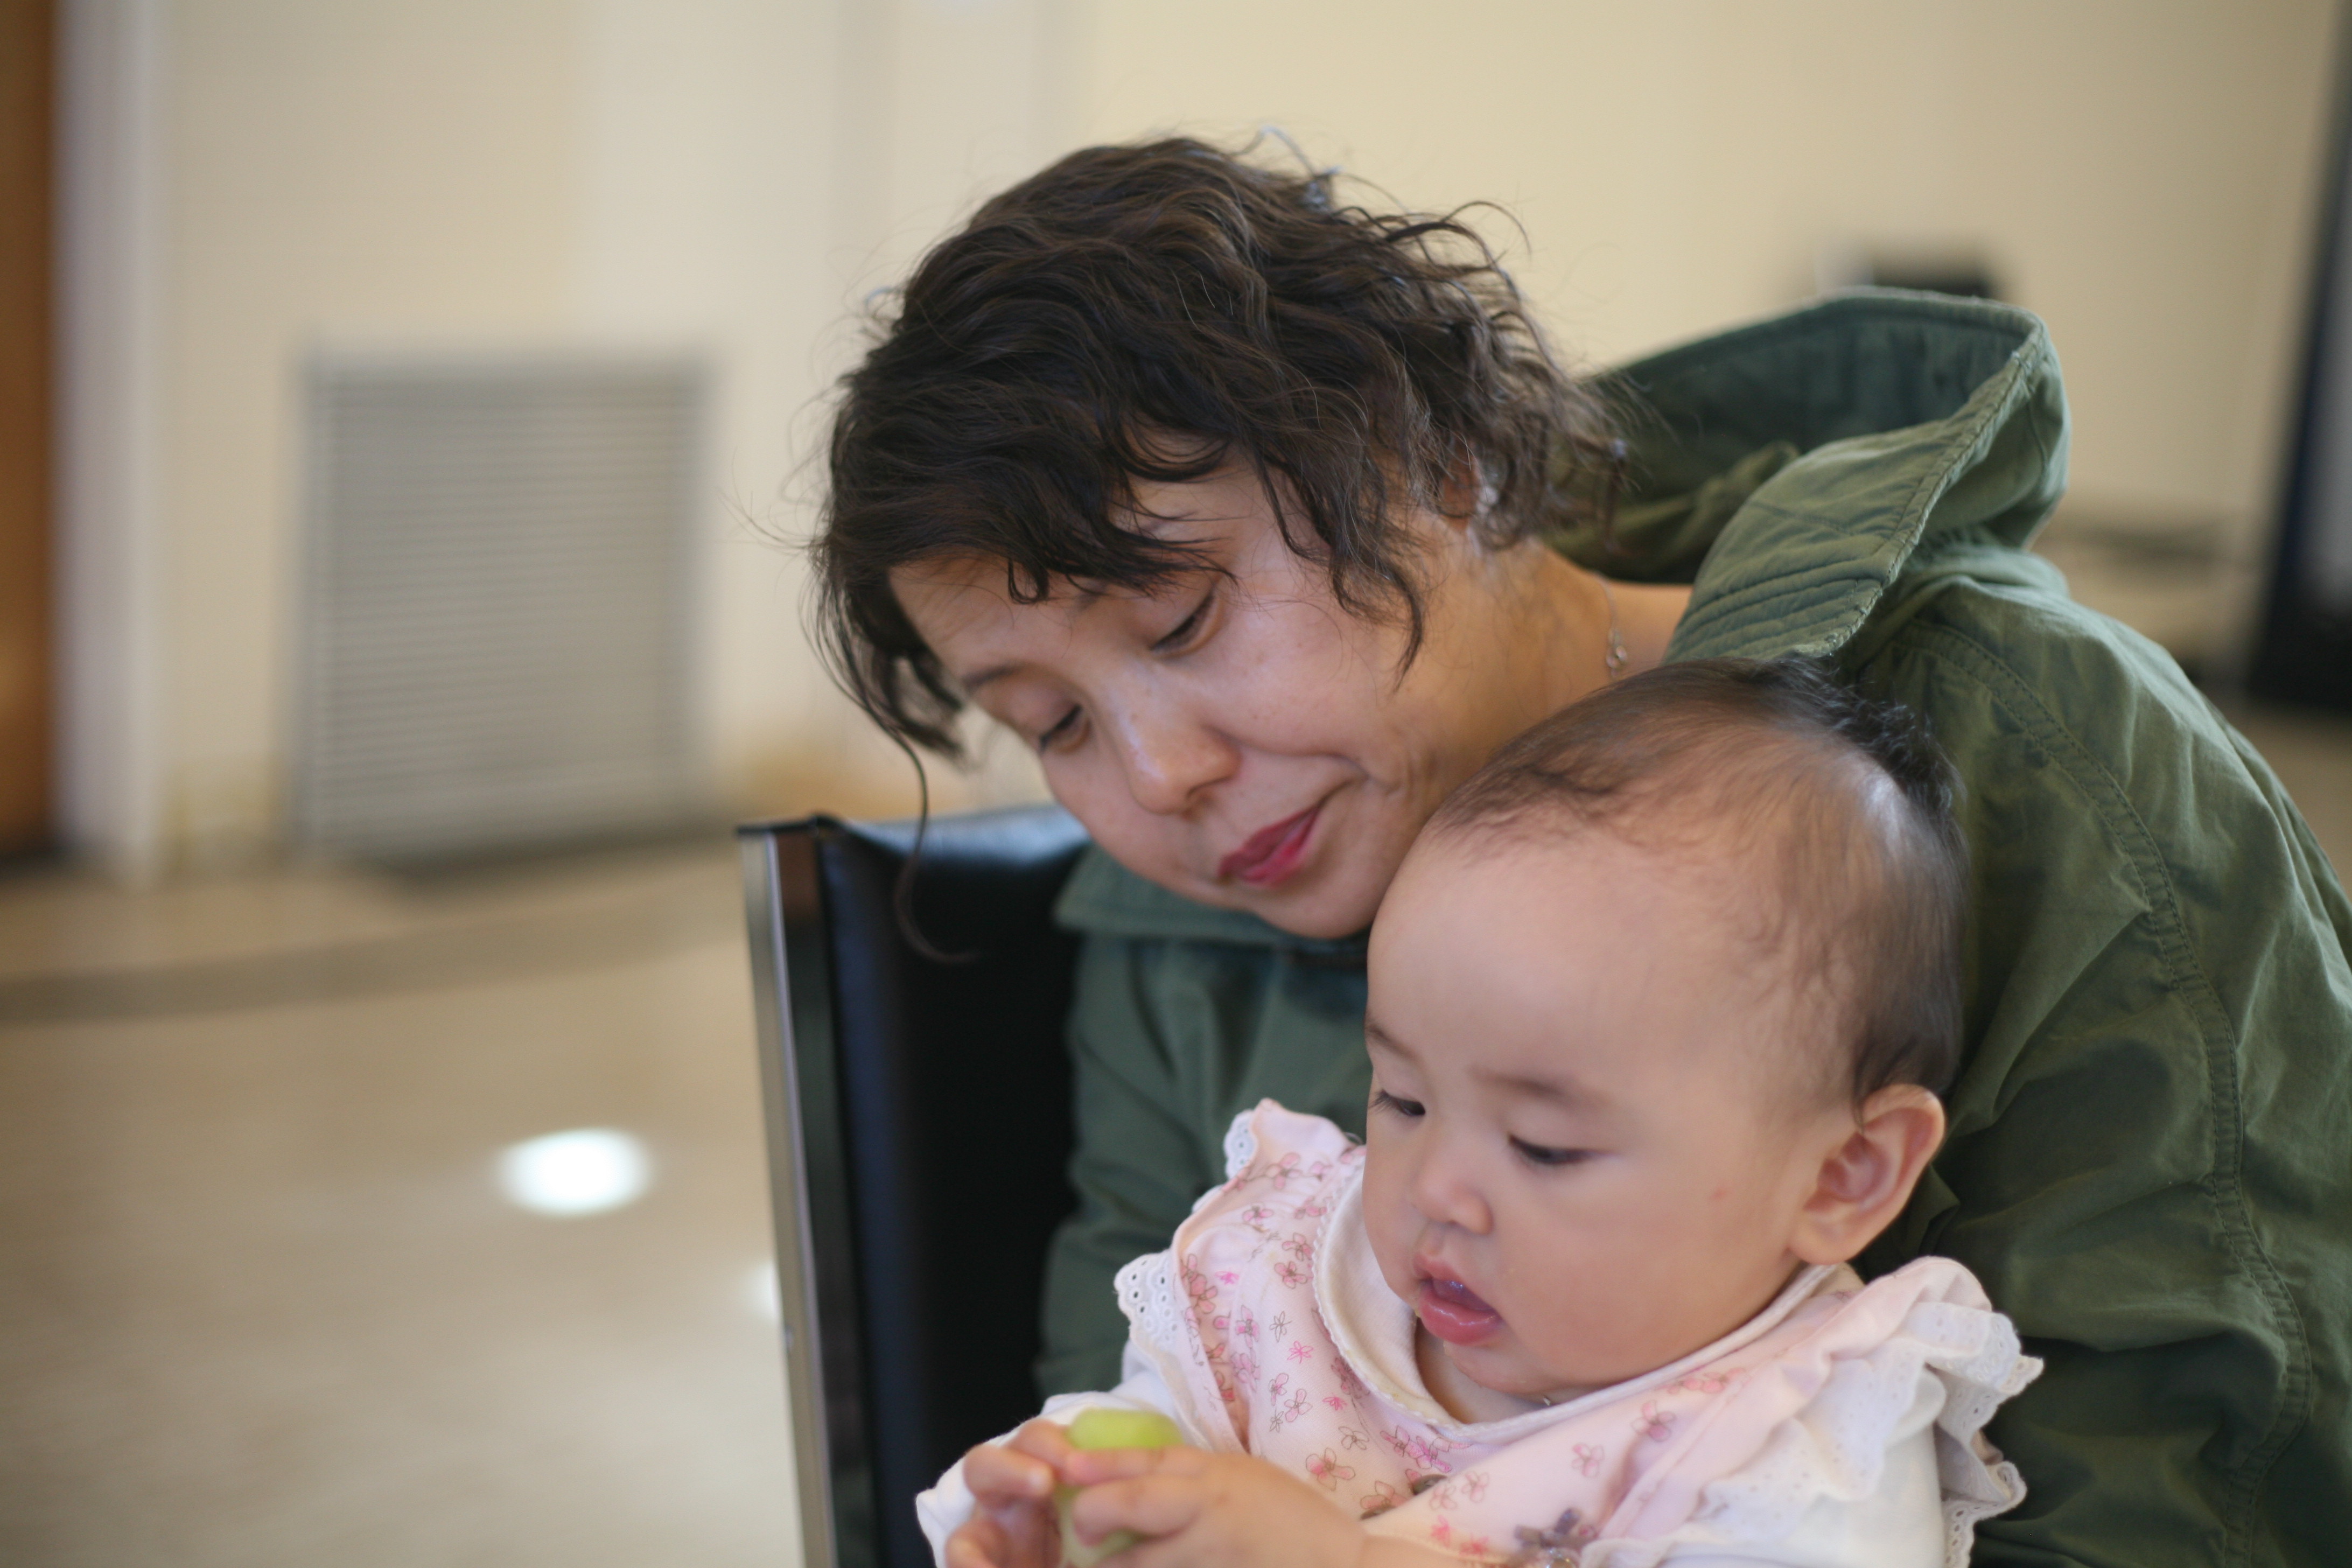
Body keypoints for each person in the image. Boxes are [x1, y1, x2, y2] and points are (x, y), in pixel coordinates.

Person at [815, 137, 2352, 1565]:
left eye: (1184, 622)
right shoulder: (1169, 936)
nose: (1162, 778)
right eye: (1054, 723)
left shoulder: (2031, 751)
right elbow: (1125, 1415)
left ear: (1439, 457)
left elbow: (2205, 1490)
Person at [921, 659, 2042, 1568]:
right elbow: (1148, 1431)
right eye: (1403, 1098)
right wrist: (1066, 1507)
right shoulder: (1295, 1281)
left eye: (1544, 1147)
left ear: (1842, 1175)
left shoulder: (1796, 1434)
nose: (1434, 1190)